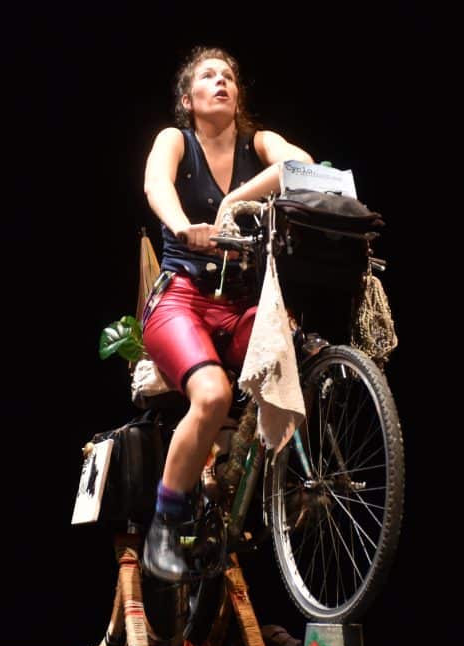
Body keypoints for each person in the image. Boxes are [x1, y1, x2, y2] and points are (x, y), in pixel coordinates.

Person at [140, 46, 313, 582]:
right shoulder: (177, 141)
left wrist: (238, 194)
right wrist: (180, 225)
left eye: (229, 77)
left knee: (294, 359)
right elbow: (156, 186)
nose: (221, 82)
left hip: (241, 303)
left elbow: (299, 165)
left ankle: (276, 497)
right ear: (188, 100)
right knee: (212, 395)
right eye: (208, 76)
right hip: (182, 299)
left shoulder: (255, 143)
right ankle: (164, 526)